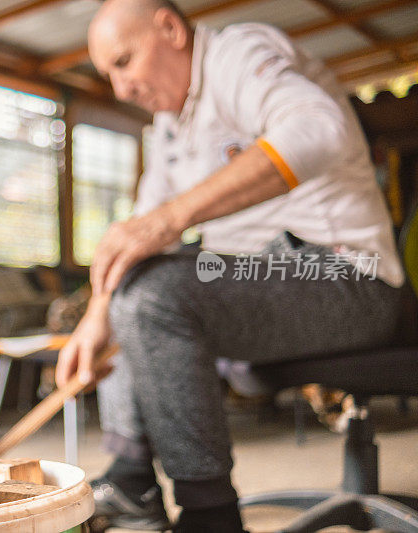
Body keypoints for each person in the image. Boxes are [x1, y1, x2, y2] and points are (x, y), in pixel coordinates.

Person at [54, 0, 406, 531]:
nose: (121, 88)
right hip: (255, 275)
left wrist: (174, 217)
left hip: (342, 275)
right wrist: (97, 315)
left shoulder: (237, 54)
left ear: (170, 29)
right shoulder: (170, 124)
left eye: (124, 62)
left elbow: (320, 128)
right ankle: (132, 479)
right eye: (109, 76)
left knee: (155, 294)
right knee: (138, 282)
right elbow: (141, 228)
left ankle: (209, 513)